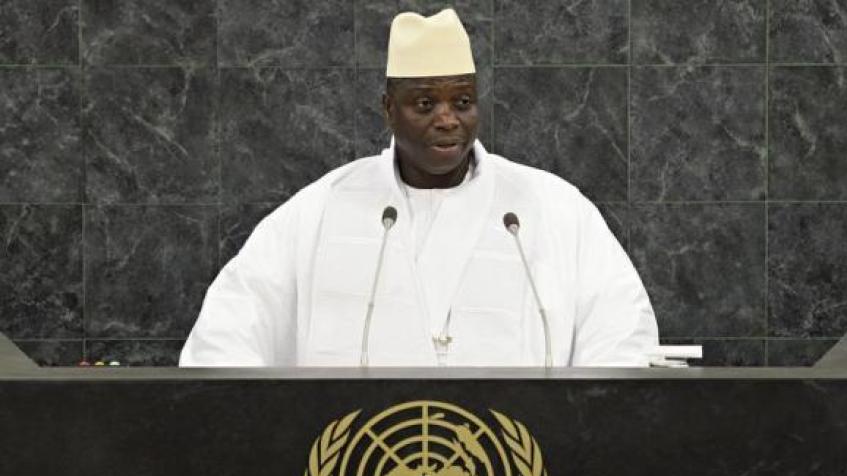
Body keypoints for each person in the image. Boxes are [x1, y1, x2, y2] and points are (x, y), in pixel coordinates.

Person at [180, 8, 658, 368]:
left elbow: (623, 336)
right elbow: (226, 337)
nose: (448, 119)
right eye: (425, 102)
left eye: (463, 101)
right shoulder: (321, 211)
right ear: (389, 109)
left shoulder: (553, 211)